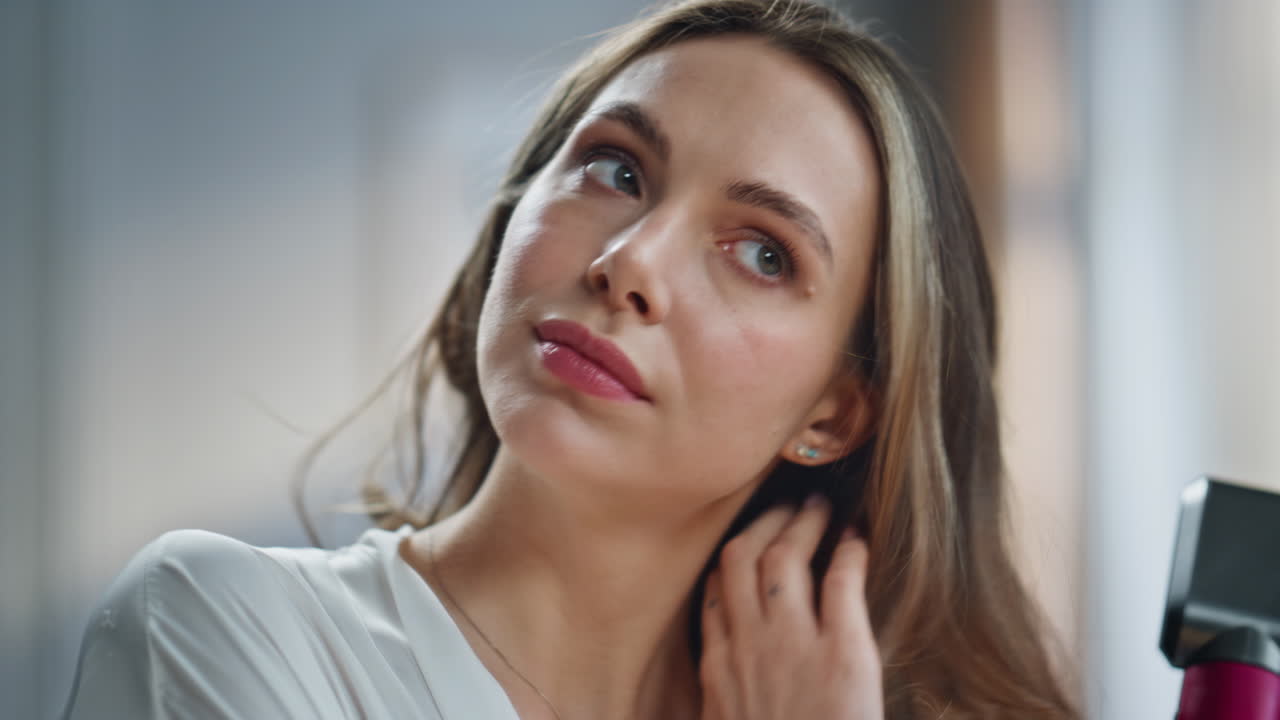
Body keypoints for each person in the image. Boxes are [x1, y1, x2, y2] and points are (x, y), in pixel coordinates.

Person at [62, 0, 1081, 718]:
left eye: (762, 254)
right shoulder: (223, 629)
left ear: (834, 412)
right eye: (614, 169)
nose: (627, 261)